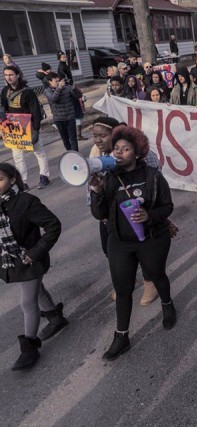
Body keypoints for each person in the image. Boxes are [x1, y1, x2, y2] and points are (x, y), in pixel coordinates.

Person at [89, 125, 176, 361]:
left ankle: (167, 304)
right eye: (116, 148)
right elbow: (99, 214)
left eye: (125, 149)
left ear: (136, 153)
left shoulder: (152, 177)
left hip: (150, 239)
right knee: (123, 289)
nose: (118, 153)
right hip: (119, 243)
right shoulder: (108, 178)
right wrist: (97, 192)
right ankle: (122, 336)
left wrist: (150, 216)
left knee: (157, 275)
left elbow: (167, 206)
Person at [0, 163, 67, 371]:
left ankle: (29, 348)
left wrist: (34, 253)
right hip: (10, 262)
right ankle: (56, 319)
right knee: (37, 292)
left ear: (12, 179)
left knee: (27, 303)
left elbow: (53, 225)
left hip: (29, 261)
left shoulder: (26, 202)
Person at [90, 118, 162, 305]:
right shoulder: (95, 155)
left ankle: (149, 282)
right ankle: (124, 281)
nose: (97, 140)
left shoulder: (144, 155)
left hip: (136, 214)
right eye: (94, 135)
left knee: (145, 252)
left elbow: (155, 182)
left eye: (102, 136)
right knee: (111, 251)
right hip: (110, 219)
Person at [1, 66, 51, 191]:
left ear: (18, 75)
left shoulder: (28, 92)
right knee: (18, 157)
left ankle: (44, 176)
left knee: (39, 152)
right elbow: (3, 106)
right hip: (13, 130)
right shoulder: (4, 90)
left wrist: (35, 131)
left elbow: (35, 112)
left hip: (30, 127)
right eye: (6, 75)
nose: (8, 77)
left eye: (11, 74)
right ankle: (23, 182)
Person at [43, 72, 79, 151]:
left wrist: (74, 88)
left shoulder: (66, 88)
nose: (58, 83)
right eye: (56, 81)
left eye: (59, 80)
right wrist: (59, 88)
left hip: (70, 116)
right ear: (50, 82)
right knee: (65, 139)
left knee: (73, 139)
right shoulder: (47, 91)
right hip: (59, 119)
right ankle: (70, 154)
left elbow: (78, 96)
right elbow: (53, 99)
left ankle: (76, 156)